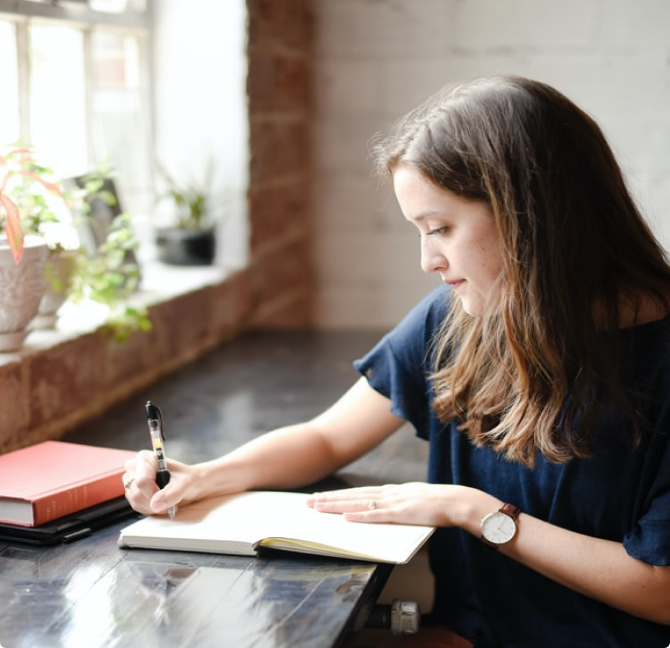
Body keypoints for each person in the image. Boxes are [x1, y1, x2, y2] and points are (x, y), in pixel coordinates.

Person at [123, 76, 670, 648]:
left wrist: (475, 511)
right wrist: (203, 477)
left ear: (530, 216)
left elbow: (659, 589)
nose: (428, 259)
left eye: (440, 229)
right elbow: (327, 439)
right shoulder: (456, 319)